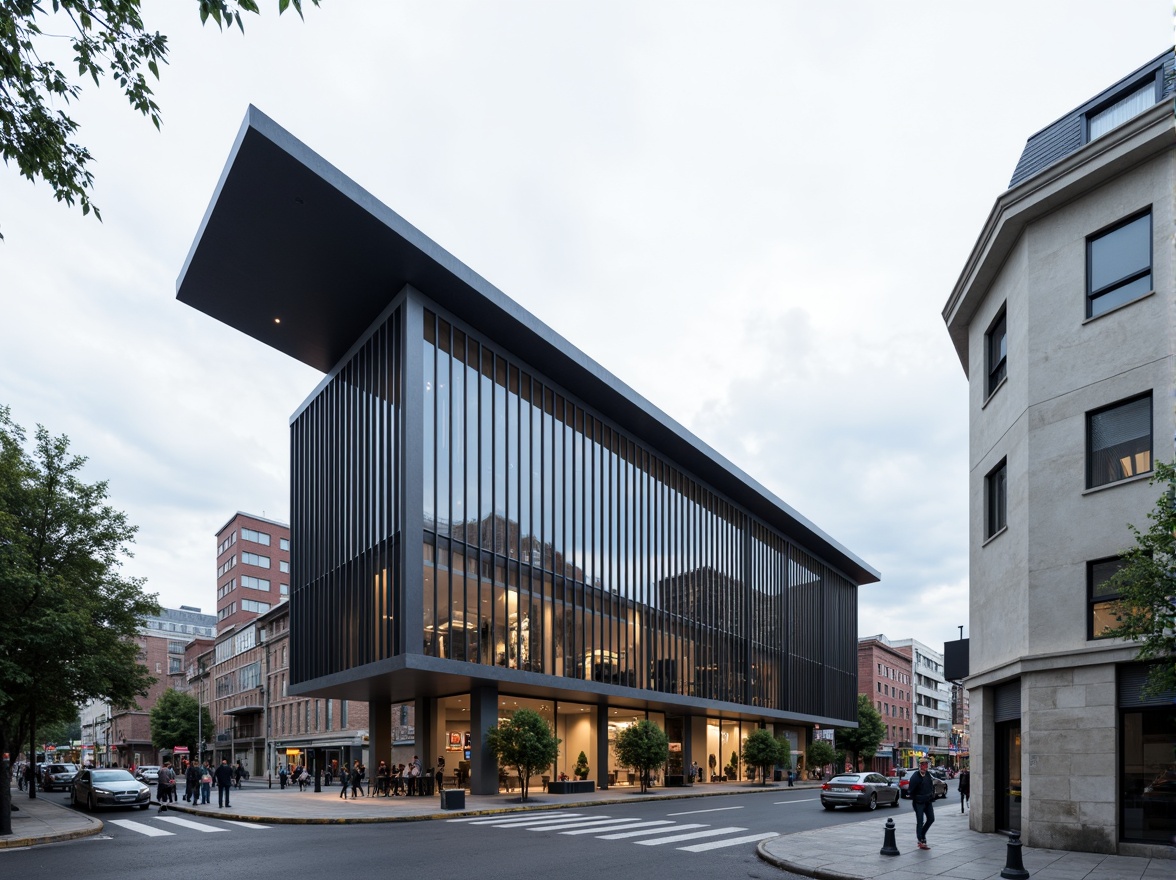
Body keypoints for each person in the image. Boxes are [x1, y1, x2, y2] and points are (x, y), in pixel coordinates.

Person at [908, 757, 937, 850]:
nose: (925, 767)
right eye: (923, 765)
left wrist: (932, 795)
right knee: (920, 821)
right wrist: (917, 798)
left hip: (928, 801)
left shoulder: (928, 775)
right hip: (919, 802)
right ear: (920, 766)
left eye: (926, 765)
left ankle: (922, 834)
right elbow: (910, 791)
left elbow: (931, 786)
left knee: (931, 819)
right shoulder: (915, 777)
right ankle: (921, 840)